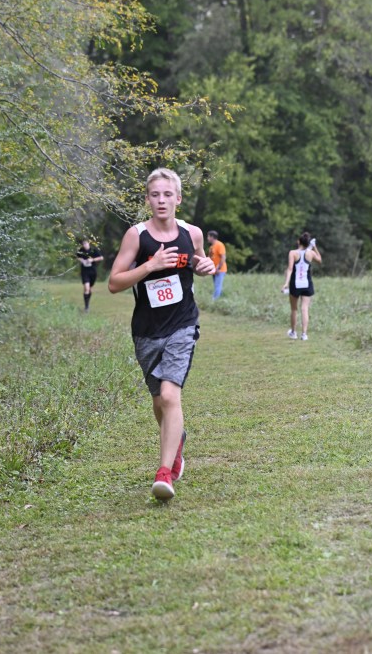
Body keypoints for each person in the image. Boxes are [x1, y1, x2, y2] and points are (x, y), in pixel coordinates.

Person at [108, 168, 216, 501]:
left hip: (183, 324)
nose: (161, 200)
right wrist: (150, 266)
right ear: (147, 199)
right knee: (159, 401)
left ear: (178, 199)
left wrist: (206, 266)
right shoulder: (137, 236)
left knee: (170, 397)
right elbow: (114, 283)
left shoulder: (192, 233)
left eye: (168, 194)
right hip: (146, 331)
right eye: (155, 195)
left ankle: (164, 472)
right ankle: (176, 440)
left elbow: (200, 263)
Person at [281, 232, 322, 341]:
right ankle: (304, 334)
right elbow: (319, 260)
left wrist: (286, 283)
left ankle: (293, 333)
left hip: (295, 284)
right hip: (307, 284)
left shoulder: (292, 253)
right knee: (305, 308)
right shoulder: (311, 253)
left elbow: (290, 269)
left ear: (298, 241)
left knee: (294, 309)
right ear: (308, 243)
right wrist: (314, 247)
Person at [77, 239, 103, 312]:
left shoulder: (93, 250)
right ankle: (86, 307)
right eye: (83, 244)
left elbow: (101, 257)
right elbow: (77, 257)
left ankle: (87, 304)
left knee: (89, 289)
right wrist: (82, 260)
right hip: (84, 272)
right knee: (87, 288)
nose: (84, 245)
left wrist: (92, 260)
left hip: (93, 272)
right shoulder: (81, 250)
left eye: (86, 243)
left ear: (89, 243)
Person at [207, 230, 227, 300]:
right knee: (217, 286)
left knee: (217, 285)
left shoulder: (219, 245)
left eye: (208, 236)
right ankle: (220, 299)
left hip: (220, 270)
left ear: (212, 237)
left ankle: (214, 300)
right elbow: (210, 258)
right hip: (214, 270)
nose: (207, 238)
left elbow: (223, 257)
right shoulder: (211, 247)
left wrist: (218, 268)